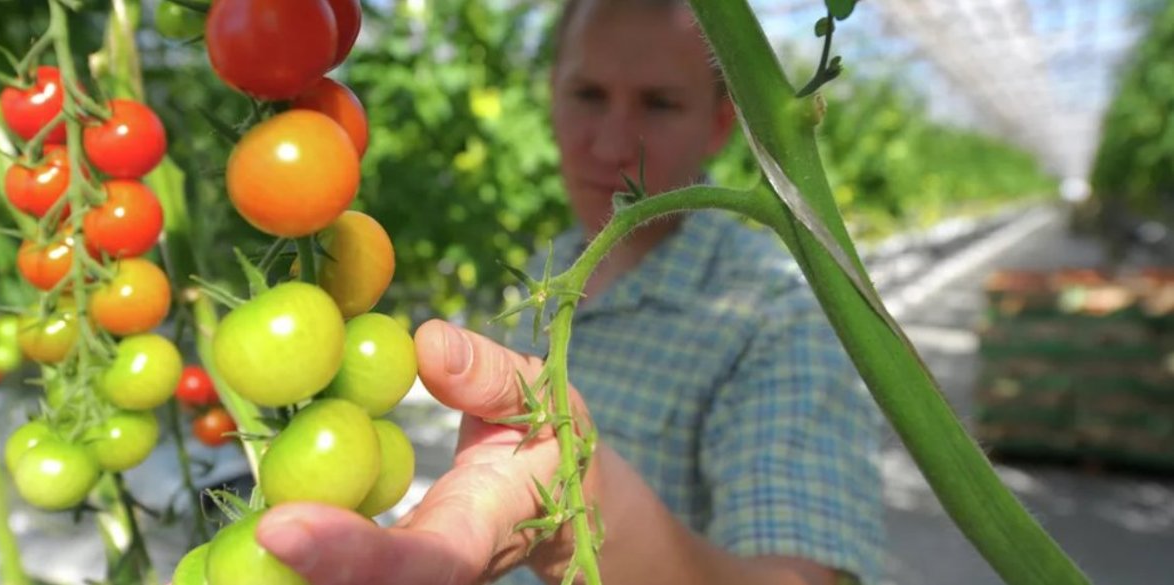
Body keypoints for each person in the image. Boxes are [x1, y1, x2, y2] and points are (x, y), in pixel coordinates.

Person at [253, 0, 886, 584]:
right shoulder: (543, 273)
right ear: (552, 91)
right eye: (587, 94)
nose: (610, 143)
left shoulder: (776, 321)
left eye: (659, 103)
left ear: (722, 123)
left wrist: (582, 504)